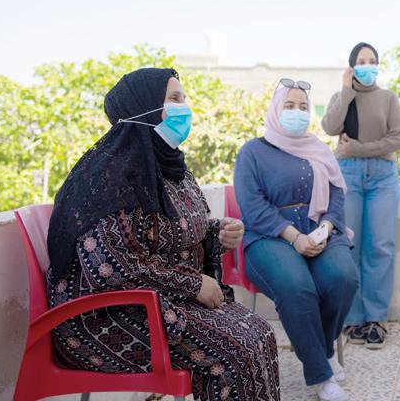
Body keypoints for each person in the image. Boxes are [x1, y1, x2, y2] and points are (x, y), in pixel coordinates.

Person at [46, 68, 281, 401]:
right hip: (103, 318)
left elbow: (167, 235)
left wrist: (217, 233)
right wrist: (194, 283)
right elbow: (108, 265)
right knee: (236, 348)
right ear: (143, 107)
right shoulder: (109, 178)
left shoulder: (170, 169)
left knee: (259, 334)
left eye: (183, 98)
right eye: (173, 99)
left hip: (158, 300)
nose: (184, 108)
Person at [235, 79, 359, 401]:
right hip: (270, 236)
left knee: (342, 278)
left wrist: (327, 228)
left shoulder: (318, 149)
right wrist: (294, 238)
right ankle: (321, 375)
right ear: (276, 109)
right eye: (289, 106)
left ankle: (324, 347)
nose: (297, 112)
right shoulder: (253, 152)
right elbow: (253, 207)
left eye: (303, 107)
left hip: (320, 229)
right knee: (296, 286)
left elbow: (336, 194)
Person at [321, 42, 400, 349]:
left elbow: (398, 139)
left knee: (381, 246)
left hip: (383, 176)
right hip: (348, 175)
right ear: (352, 66)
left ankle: (376, 318)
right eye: (362, 61)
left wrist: (357, 148)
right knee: (349, 245)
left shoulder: (388, 98)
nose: (368, 65)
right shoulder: (342, 96)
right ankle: (353, 318)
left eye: (373, 60)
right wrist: (346, 92)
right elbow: (330, 126)